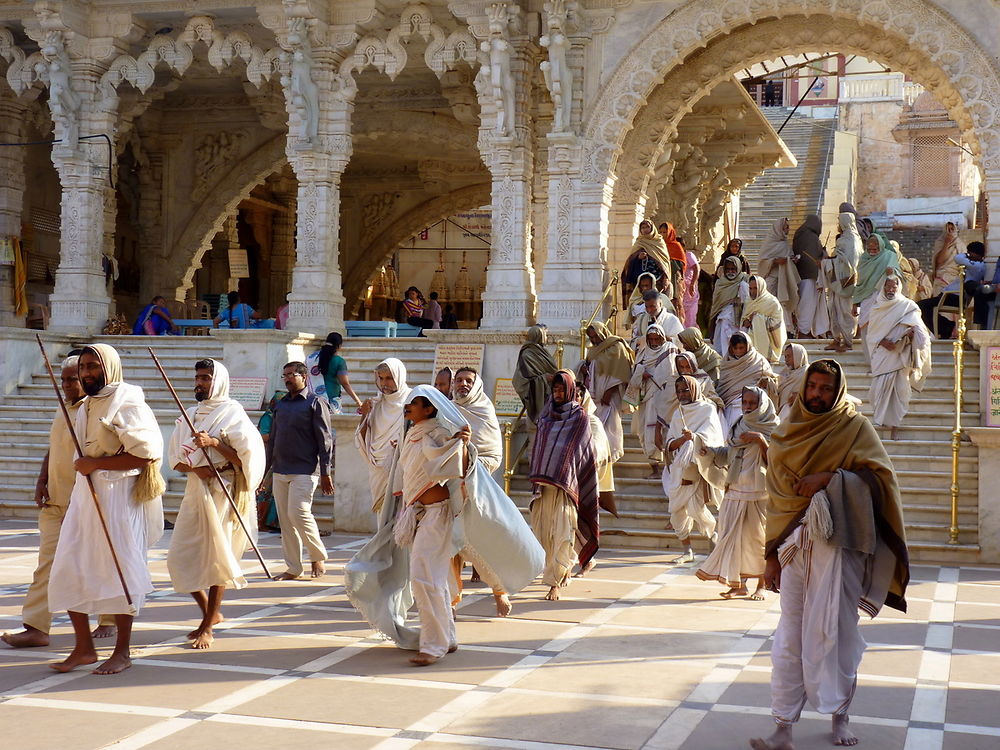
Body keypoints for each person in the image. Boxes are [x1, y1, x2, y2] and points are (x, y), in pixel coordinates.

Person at [751, 359, 909, 750]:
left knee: (837, 634)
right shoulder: (787, 431)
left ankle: (841, 717)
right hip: (792, 550)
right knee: (789, 637)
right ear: (804, 387)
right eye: (813, 386)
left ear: (836, 391)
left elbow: (881, 480)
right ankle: (783, 727)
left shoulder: (854, 428)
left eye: (825, 389)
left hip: (840, 548)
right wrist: (770, 557)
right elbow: (777, 501)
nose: (817, 394)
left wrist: (832, 479)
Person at [345, 385, 544, 663]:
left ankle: (433, 645)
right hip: (418, 514)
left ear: (429, 409)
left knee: (424, 578)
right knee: (432, 578)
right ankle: (445, 638)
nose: (408, 406)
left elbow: (457, 467)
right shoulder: (411, 433)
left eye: (415, 403)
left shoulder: (439, 433)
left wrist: (462, 443)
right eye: (409, 402)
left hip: (438, 514)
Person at [47, 344, 165, 674]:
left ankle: (122, 652)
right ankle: (84, 648)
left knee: (119, 570)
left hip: (118, 497)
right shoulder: (87, 405)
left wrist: (95, 463)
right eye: (83, 367)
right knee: (68, 566)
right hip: (86, 496)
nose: (86, 373)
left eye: (93, 366)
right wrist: (88, 467)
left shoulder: (127, 400)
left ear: (109, 367)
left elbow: (147, 455)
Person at [1, 356, 115, 649]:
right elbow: (54, 448)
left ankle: (109, 618)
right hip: (56, 501)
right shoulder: (63, 409)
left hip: (90, 501)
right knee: (47, 565)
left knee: (98, 562)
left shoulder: (99, 409)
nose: (66, 385)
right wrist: (42, 479)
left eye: (72, 379)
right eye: (63, 380)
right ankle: (36, 627)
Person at [167, 360, 266, 649]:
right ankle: (211, 611)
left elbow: (245, 459)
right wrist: (195, 469)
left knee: (218, 558)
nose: (199, 383)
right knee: (179, 557)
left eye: (206, 378)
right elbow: (175, 460)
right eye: (197, 377)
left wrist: (212, 443)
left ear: (218, 380)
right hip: (197, 489)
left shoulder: (233, 414)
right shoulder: (189, 415)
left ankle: (207, 625)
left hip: (225, 491)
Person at [696, 386, 778, 600]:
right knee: (732, 537)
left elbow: (778, 462)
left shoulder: (773, 427)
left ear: (761, 403)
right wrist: (711, 452)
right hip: (734, 488)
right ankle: (739, 584)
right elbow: (729, 454)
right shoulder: (738, 424)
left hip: (759, 492)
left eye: (752, 403)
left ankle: (762, 584)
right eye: (745, 403)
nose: (748, 407)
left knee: (758, 540)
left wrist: (761, 440)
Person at [529, 371, 599, 600]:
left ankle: (555, 583)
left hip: (566, 488)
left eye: (562, 389)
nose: (558, 394)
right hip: (544, 488)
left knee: (562, 534)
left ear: (570, 391)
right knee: (543, 535)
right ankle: (559, 572)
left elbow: (585, 454)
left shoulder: (580, 419)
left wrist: (567, 474)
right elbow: (539, 449)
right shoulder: (545, 417)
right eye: (555, 390)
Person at [264, 361, 334, 580]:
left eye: (291, 374)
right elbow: (273, 440)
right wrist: (265, 473)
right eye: (284, 375)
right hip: (280, 468)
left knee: (298, 513)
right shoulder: (280, 405)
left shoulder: (316, 402)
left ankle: (317, 556)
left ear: (304, 377)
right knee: (285, 521)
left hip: (305, 469)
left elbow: (325, 441)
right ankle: (293, 568)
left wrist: (326, 472)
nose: (287, 378)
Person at [452, 366, 513, 615]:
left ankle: (499, 591)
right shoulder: (446, 409)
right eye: (459, 380)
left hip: (475, 488)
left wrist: (467, 455)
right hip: (448, 488)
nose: (463, 384)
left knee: (478, 546)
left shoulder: (484, 409)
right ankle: (450, 601)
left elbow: (493, 455)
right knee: (449, 547)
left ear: (476, 385)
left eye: (468, 380)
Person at [661, 375, 724, 563]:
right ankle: (687, 551)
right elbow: (669, 443)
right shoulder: (677, 413)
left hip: (698, 470)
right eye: (679, 391)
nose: (682, 394)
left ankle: (713, 538)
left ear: (694, 389)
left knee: (697, 510)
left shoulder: (707, 410)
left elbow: (713, 438)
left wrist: (694, 438)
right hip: (678, 471)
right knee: (676, 515)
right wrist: (682, 441)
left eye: (685, 390)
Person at [867, 274, 932, 440]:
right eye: (888, 287)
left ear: (899, 288)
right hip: (882, 354)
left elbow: (920, 331)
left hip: (901, 355)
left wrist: (909, 335)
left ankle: (895, 427)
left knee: (900, 392)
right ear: (883, 287)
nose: (890, 290)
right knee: (877, 391)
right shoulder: (876, 308)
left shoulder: (908, 306)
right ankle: (882, 421)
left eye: (894, 287)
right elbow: (871, 334)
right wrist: (882, 341)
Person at [356, 358, 411, 510]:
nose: (384, 383)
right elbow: (362, 438)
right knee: (383, 519)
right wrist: (365, 414)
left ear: (399, 377)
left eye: (389, 378)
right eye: (381, 378)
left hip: (403, 468)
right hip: (377, 469)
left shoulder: (412, 401)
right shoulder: (375, 403)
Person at [625, 324, 678, 478]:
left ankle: (669, 468)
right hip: (646, 398)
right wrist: (641, 374)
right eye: (651, 339)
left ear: (662, 338)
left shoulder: (670, 350)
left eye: (657, 338)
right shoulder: (643, 353)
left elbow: (673, 373)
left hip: (666, 398)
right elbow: (634, 373)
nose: (654, 341)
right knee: (645, 432)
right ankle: (654, 468)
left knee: (665, 431)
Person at [580, 321, 634, 465]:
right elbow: (591, 367)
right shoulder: (593, 351)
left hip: (610, 395)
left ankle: (612, 455)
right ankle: (599, 457)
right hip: (595, 395)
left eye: (596, 336)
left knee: (611, 426)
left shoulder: (617, 346)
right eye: (591, 337)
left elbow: (620, 372)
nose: (594, 340)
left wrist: (608, 392)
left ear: (602, 332)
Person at [918, 241, 987, 338]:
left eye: (970, 253)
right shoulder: (976, 265)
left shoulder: (977, 266)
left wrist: (965, 255)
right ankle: (946, 328)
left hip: (954, 296)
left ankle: (947, 327)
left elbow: (957, 258)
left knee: (920, 306)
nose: (968, 255)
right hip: (951, 295)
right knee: (924, 307)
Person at [717, 331, 777, 429]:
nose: (738, 351)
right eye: (735, 348)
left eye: (741, 348)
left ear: (748, 346)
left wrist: (767, 381)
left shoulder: (759, 361)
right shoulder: (726, 363)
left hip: (751, 403)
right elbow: (723, 386)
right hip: (729, 403)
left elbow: (772, 379)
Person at [852, 234, 900, 349]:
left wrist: (891, 273)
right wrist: (855, 303)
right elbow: (860, 284)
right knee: (865, 326)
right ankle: (869, 356)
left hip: (883, 299)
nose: (872, 251)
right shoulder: (863, 260)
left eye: (875, 249)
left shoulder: (889, 256)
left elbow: (898, 278)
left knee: (882, 327)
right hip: (866, 300)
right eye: (870, 249)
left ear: (881, 246)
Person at [825, 212, 862, 353]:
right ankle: (836, 339)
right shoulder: (848, 239)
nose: (838, 225)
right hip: (838, 281)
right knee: (834, 309)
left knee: (845, 312)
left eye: (839, 221)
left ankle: (847, 341)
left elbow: (849, 263)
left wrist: (828, 262)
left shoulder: (851, 240)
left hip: (846, 281)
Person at [756, 218, 800, 331]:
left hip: (783, 278)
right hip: (771, 278)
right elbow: (762, 261)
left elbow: (788, 256)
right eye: (786, 227)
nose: (788, 230)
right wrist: (775, 261)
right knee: (769, 302)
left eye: (788, 227)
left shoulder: (785, 243)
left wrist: (792, 259)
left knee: (783, 303)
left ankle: (785, 329)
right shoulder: (769, 242)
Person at [621, 219, 671, 310]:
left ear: (652, 228)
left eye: (647, 227)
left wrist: (665, 278)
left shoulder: (659, 242)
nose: (645, 229)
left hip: (658, 280)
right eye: (642, 228)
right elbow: (630, 262)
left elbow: (665, 262)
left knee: (659, 304)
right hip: (641, 281)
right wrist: (638, 258)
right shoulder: (639, 242)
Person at [513, 324, 558, 423]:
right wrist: (543, 378)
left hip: (551, 397)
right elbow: (519, 381)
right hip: (537, 401)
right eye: (545, 335)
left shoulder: (543, 352)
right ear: (539, 336)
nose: (546, 338)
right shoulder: (527, 354)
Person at [792, 214, 824, 338]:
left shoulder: (799, 235)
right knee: (808, 304)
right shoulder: (811, 237)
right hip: (810, 275)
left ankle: (805, 330)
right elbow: (816, 255)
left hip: (800, 275)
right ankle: (804, 332)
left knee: (803, 304)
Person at [742, 275, 787, 363]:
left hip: (768, 341)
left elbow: (778, 322)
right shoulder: (748, 301)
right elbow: (744, 319)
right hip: (751, 339)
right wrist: (746, 322)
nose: (753, 291)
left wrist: (757, 318)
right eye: (750, 288)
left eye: (755, 288)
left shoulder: (772, 302)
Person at [314, 332, 361, 414]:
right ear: (339, 346)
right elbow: (345, 384)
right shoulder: (339, 361)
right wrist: (358, 402)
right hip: (331, 400)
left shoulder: (313, 358)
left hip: (314, 398)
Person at [710, 256, 748, 353]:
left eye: (733, 269)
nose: (730, 271)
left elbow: (748, 304)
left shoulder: (744, 281)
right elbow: (715, 307)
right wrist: (712, 330)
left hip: (738, 321)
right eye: (728, 269)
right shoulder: (720, 283)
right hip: (723, 321)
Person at [775, 343, 809, 422]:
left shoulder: (807, 372)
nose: (786, 359)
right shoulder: (785, 371)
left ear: (798, 356)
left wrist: (799, 397)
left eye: (789, 356)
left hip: (797, 407)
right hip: (782, 407)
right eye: (785, 356)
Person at [658, 221, 688, 307]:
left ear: (670, 232)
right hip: (661, 277)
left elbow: (682, 263)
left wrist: (668, 262)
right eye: (660, 232)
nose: (662, 234)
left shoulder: (676, 246)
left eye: (665, 232)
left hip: (674, 278)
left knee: (674, 303)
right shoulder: (658, 245)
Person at [931, 221, 961, 296]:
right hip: (942, 276)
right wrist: (946, 243)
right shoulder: (940, 242)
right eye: (948, 229)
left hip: (955, 277)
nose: (950, 232)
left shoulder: (960, 244)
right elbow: (939, 261)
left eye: (952, 229)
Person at [682, 243, 701, 328]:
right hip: (680, 289)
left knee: (691, 316)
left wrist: (692, 284)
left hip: (689, 288)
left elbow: (696, 268)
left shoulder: (688, 255)